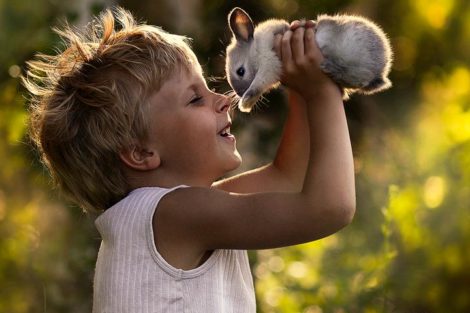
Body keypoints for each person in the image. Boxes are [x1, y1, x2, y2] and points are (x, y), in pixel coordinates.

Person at [23, 6, 355, 313]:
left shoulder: (171, 212)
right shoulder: (173, 215)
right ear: (141, 153)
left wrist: (297, 83)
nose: (223, 99)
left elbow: (288, 179)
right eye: (195, 98)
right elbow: (329, 209)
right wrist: (321, 93)